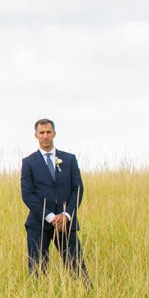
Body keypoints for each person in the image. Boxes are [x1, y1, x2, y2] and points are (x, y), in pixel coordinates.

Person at [20, 118, 88, 280]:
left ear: (54, 134)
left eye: (48, 132)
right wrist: (51, 217)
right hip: (39, 224)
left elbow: (77, 189)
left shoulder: (69, 159)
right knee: (37, 272)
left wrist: (66, 215)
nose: (45, 136)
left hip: (66, 224)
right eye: (41, 133)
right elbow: (27, 195)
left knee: (77, 269)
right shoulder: (28, 162)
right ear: (36, 135)